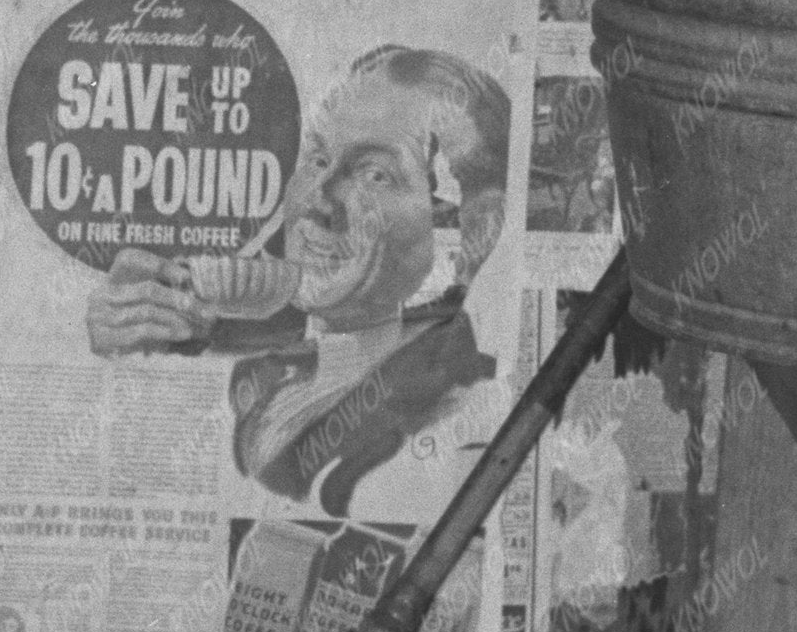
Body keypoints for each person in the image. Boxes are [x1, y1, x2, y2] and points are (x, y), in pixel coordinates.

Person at [81, 44, 516, 514]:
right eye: (318, 158)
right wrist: (157, 339)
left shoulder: (458, 421)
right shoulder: (266, 365)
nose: (317, 202)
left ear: (475, 232)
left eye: (375, 174)